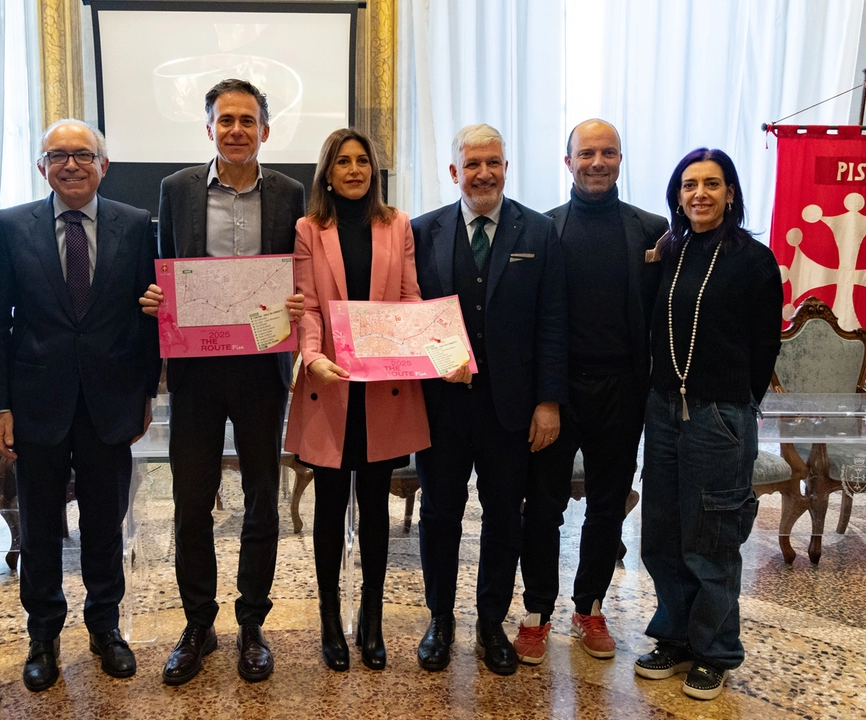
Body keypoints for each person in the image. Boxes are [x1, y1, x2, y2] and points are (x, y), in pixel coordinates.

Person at [0, 119, 161, 692]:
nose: (71, 165)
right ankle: (43, 634)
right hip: (37, 402)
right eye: (57, 156)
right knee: (37, 526)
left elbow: (147, 317)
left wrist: (145, 394)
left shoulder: (135, 226)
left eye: (84, 155)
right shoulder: (10, 227)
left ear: (103, 166)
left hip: (110, 402)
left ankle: (106, 628)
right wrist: (0, 406)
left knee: (106, 523)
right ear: (42, 168)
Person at [139, 78, 306, 685]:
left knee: (262, 497)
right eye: (224, 119)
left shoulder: (290, 192)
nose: (236, 129)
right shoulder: (177, 189)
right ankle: (198, 623)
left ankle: (253, 622)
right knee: (191, 501)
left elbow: (297, 269)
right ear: (209, 128)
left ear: (265, 129)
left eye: (247, 120)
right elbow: (166, 262)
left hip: (263, 368)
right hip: (197, 372)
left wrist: (294, 301)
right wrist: (161, 297)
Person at [410, 123, 568, 676]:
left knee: (505, 517)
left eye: (493, 162)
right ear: (454, 171)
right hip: (442, 408)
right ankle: (440, 620)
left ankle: (489, 622)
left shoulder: (540, 232)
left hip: (513, 410)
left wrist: (549, 403)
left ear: (506, 167)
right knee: (439, 514)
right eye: (472, 163)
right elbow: (409, 319)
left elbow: (553, 322)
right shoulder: (421, 232)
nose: (483, 173)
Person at [515, 119, 669, 664]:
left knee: (607, 507)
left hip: (623, 393)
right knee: (544, 508)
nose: (597, 162)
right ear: (568, 162)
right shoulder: (541, 228)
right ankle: (536, 613)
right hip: (556, 392)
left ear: (621, 160)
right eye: (586, 153)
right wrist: (542, 396)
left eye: (608, 153)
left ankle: (591, 606)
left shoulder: (653, 230)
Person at [634, 148, 781, 700]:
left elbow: (765, 345)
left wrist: (737, 403)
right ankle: (672, 636)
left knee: (712, 537)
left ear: (731, 193)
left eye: (712, 184)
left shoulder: (752, 259)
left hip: (719, 415)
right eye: (690, 184)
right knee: (665, 533)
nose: (700, 193)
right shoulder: (669, 250)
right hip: (664, 411)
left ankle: (714, 651)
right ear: (677, 194)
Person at [284, 128, 431, 672]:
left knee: (375, 507)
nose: (353, 170)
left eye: (362, 161)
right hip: (331, 384)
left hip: (384, 387)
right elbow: (308, 307)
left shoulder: (397, 225)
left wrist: (424, 349)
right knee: (328, 507)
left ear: (373, 169)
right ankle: (329, 618)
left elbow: (409, 298)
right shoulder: (309, 228)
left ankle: (372, 617)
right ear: (327, 171)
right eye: (342, 161)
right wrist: (313, 355)